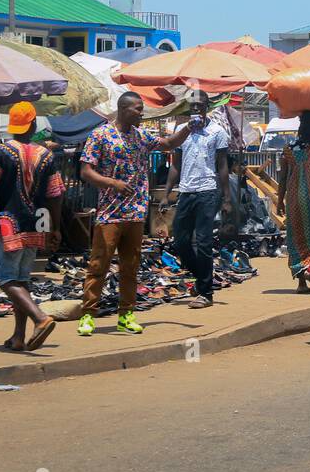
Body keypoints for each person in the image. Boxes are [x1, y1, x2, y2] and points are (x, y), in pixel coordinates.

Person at [76, 92, 191, 337]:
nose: (141, 113)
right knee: (99, 264)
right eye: (137, 109)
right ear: (123, 109)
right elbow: (86, 171)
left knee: (130, 267)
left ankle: (126, 315)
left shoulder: (141, 136)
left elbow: (169, 144)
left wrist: (189, 127)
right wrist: (111, 183)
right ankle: (88, 315)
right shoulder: (101, 135)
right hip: (110, 213)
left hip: (136, 212)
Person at [0, 102, 64, 352]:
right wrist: (56, 228)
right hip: (34, 224)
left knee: (6, 281)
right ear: (33, 124)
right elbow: (55, 195)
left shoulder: (0, 153)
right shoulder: (47, 155)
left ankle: (40, 318)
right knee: (21, 282)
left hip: (7, 223)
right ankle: (18, 337)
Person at [163, 90, 232, 309]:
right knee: (180, 241)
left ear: (206, 107)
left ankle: (206, 292)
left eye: (199, 105)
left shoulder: (217, 132)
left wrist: (227, 198)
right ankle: (202, 277)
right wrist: (166, 194)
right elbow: (176, 164)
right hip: (185, 191)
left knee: (203, 241)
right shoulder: (181, 131)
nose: (195, 109)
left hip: (208, 191)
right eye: (192, 105)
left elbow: (222, 166)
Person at [277, 110, 310, 297]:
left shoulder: (289, 149)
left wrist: (280, 200)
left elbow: (282, 178)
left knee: (297, 237)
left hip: (295, 199)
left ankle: (301, 281)